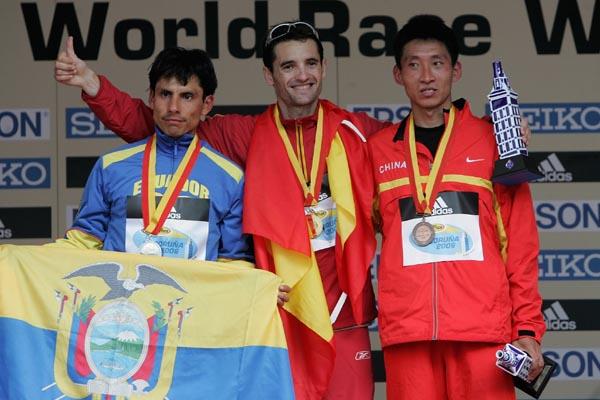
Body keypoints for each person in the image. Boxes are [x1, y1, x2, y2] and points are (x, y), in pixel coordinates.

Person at [54, 21, 532, 400]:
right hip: (278, 317)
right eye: (287, 66)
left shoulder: (361, 133)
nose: (300, 75)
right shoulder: (244, 134)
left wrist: (497, 135)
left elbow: (429, 138)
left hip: (345, 318)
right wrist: (95, 86)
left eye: (309, 64)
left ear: (323, 68)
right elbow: (163, 123)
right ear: (269, 75)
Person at [367, 15, 545, 399]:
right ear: (398, 74)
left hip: (482, 333)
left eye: (437, 63)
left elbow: (520, 243)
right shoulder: (377, 149)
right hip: (409, 334)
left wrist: (527, 330)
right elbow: (358, 236)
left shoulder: (492, 141)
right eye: (414, 64)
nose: (426, 76)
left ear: (456, 70)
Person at [53, 43, 253, 266]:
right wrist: (27, 262)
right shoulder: (110, 166)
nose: (174, 107)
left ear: (206, 104)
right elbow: (84, 241)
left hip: (196, 300)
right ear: (151, 98)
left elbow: (233, 263)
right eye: (165, 94)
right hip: (126, 296)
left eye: (187, 96)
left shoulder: (230, 177)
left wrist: (261, 288)